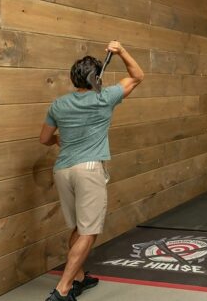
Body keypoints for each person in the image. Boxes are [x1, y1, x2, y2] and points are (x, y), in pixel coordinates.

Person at [39, 41, 144, 301]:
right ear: (95, 78)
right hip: (88, 170)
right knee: (88, 232)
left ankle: (79, 278)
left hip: (62, 170)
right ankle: (63, 289)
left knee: (77, 228)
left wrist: (57, 141)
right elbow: (137, 76)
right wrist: (120, 51)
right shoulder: (105, 97)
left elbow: (44, 139)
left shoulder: (59, 104)